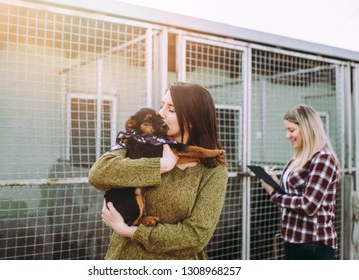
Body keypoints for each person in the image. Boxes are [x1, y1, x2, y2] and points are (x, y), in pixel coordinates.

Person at [88, 81, 228, 260]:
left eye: (171, 109)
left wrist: (131, 231)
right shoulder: (139, 141)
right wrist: (162, 165)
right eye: (162, 106)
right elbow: (98, 174)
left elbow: (195, 236)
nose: (160, 114)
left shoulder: (213, 171)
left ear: (193, 120)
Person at [261, 104, 340, 260]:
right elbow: (294, 193)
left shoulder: (323, 159)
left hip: (313, 244)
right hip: (293, 239)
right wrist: (275, 182)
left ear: (307, 129)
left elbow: (308, 204)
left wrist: (273, 192)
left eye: (291, 130)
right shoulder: (300, 157)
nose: (287, 136)